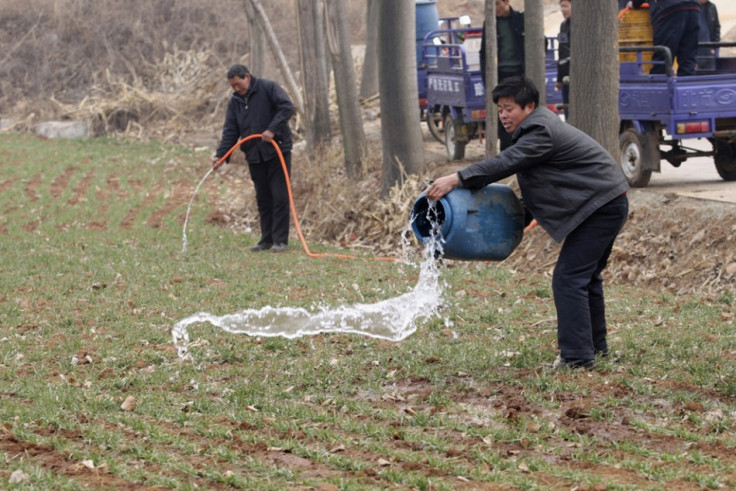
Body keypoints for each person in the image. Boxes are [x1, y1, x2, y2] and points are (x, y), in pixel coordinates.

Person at [426, 76, 630, 370]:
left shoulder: (540, 131)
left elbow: (505, 163)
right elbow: (543, 183)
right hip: (604, 202)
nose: (504, 115)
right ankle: (594, 349)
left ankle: (576, 357)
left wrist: (456, 178)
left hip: (600, 206)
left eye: (509, 108)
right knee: (585, 278)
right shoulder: (538, 129)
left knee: (569, 279)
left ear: (529, 106)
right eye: (500, 109)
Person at [212, 64, 295, 253]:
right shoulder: (235, 102)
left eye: (238, 84)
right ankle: (266, 239)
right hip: (254, 154)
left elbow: (287, 108)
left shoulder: (268, 88)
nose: (236, 89)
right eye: (232, 86)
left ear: (247, 77)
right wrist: (221, 155)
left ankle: (280, 241)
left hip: (277, 151)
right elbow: (231, 130)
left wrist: (271, 129)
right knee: (263, 197)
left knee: (279, 196)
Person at [480, 0, 525, 150]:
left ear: (506, 2)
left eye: (498, 4)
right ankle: (507, 150)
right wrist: (487, 80)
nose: (495, 8)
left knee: (521, 111)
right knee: (504, 113)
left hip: (519, 74)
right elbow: (483, 54)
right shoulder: (490, 23)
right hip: (500, 75)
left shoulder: (521, 19)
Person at [647, 0, 702, 76]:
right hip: (694, 8)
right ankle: (686, 85)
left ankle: (660, 85)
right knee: (688, 57)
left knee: (663, 58)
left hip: (669, 9)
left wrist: (635, 4)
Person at [555, 0, 572, 119]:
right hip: (566, 75)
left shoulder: (583, 26)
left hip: (578, 74)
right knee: (568, 111)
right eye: (561, 7)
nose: (563, 10)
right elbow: (561, 52)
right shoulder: (563, 25)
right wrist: (559, 78)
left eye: (565, 6)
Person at [696, 0, 721, 70]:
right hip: (694, 53)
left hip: (709, 53)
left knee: (710, 76)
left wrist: (715, 46)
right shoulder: (690, 7)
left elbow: (716, 28)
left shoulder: (711, 7)